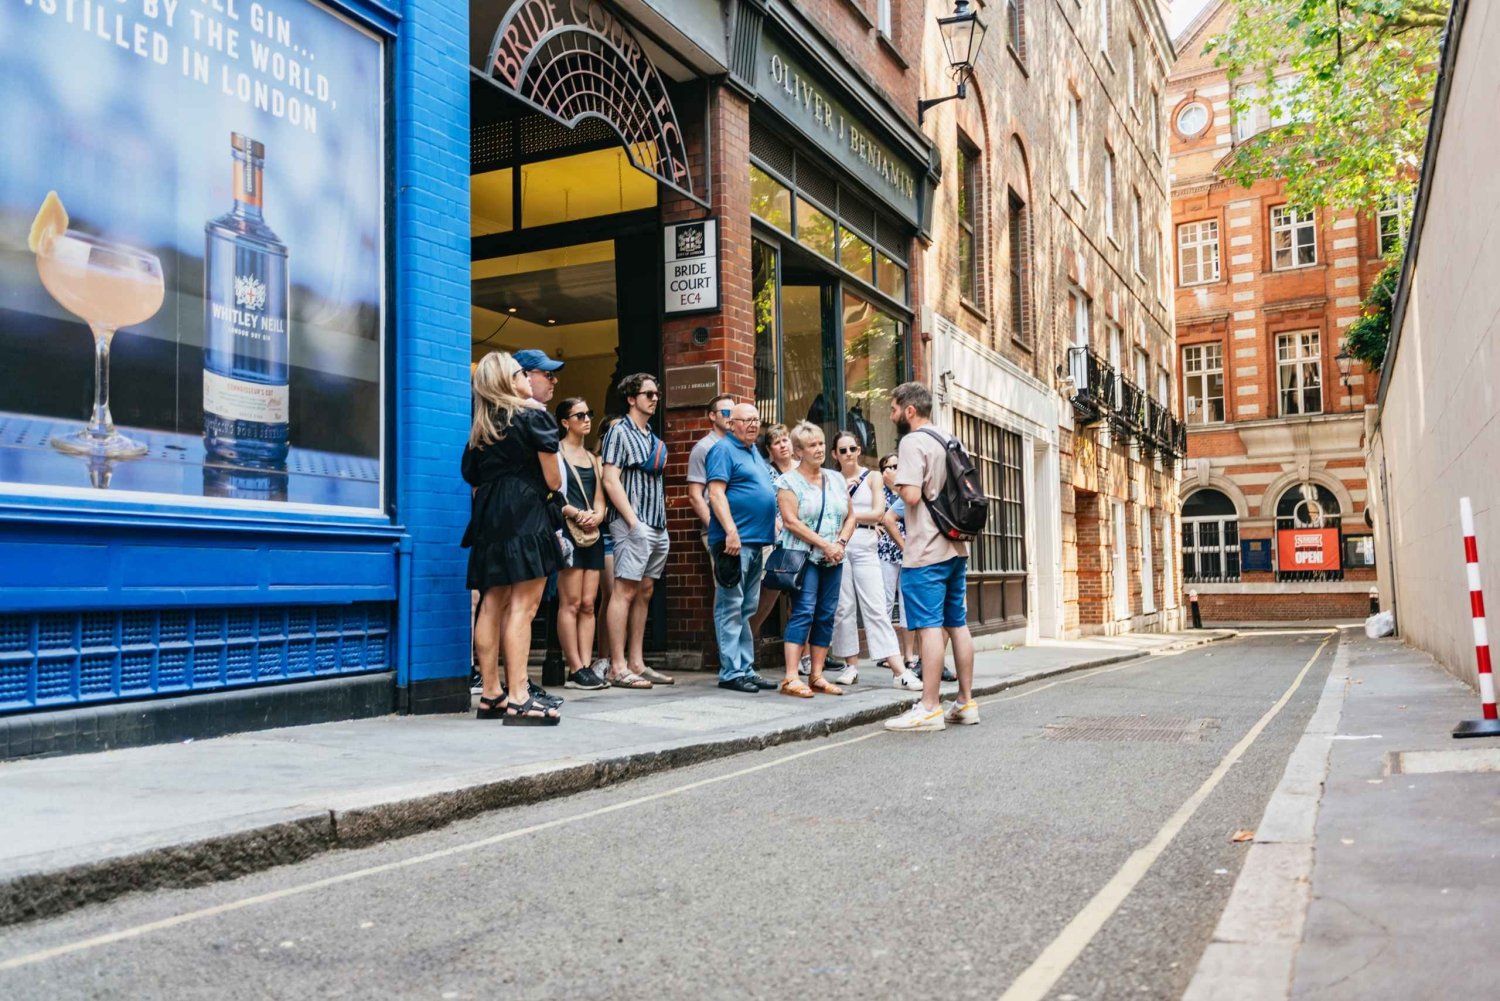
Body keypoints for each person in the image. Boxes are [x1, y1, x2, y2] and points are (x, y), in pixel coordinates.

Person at [462, 351, 563, 725]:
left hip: (489, 516)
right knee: (525, 604)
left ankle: (491, 696)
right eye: (520, 372)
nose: (526, 377)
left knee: (492, 601)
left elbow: (472, 477)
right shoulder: (533, 417)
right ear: (509, 381)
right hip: (525, 512)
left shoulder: (481, 429)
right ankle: (520, 698)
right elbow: (553, 480)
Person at [884, 382, 977, 732]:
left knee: (929, 627)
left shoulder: (912, 441)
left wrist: (893, 478)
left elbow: (909, 496)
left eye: (894, 409)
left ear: (909, 410)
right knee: (957, 623)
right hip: (955, 547)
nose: (892, 415)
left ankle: (929, 707)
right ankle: (965, 702)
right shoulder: (950, 438)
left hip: (925, 549)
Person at [829, 432, 923, 692]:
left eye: (852, 448)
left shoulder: (872, 476)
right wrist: (856, 518)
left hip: (866, 545)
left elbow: (878, 513)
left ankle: (899, 670)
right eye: (843, 450)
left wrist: (849, 517)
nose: (848, 454)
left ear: (859, 450)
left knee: (876, 607)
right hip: (840, 546)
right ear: (835, 454)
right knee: (844, 607)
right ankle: (851, 665)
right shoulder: (832, 479)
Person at [601, 372, 674, 688]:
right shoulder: (619, 432)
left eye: (656, 394)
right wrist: (633, 523)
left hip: (657, 524)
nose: (654, 398)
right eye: (648, 394)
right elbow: (610, 479)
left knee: (645, 591)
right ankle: (617, 666)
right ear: (631, 398)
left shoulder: (652, 439)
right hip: (633, 523)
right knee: (625, 590)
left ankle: (636, 661)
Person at [774, 421, 854, 698]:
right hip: (804, 556)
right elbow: (791, 522)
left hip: (834, 557)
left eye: (821, 443)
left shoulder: (836, 478)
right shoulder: (787, 483)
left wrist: (840, 543)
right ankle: (790, 677)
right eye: (812, 445)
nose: (819, 449)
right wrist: (825, 545)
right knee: (804, 610)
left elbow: (851, 516)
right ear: (798, 451)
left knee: (826, 614)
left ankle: (817, 675)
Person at [706, 403, 780, 693]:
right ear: (730, 423)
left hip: (756, 541)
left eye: (756, 420)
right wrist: (730, 532)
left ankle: (746, 668)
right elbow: (715, 493)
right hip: (734, 543)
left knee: (747, 607)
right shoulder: (723, 450)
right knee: (730, 606)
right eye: (745, 420)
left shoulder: (753, 453)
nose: (752, 425)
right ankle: (731, 672)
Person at [555, 397, 608, 690]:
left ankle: (586, 666)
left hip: (592, 532)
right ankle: (574, 667)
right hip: (568, 530)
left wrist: (598, 515)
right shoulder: (556, 453)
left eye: (589, 413)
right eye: (579, 415)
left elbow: (600, 495)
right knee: (571, 602)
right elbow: (552, 493)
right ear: (565, 422)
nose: (587, 419)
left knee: (589, 603)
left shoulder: (593, 458)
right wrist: (575, 513)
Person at [749, 423, 797, 638]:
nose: (782, 445)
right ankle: (750, 636)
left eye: (785, 440)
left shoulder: (804, 468)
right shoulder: (766, 471)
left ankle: (807, 654)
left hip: (807, 537)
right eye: (777, 443)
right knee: (772, 588)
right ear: (770, 449)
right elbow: (765, 503)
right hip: (776, 536)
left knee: (805, 595)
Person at [876, 452, 922, 675]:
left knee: (907, 604)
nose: (893, 469)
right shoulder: (880, 489)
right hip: (886, 550)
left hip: (909, 550)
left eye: (897, 465)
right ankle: (888, 654)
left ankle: (909, 655)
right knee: (884, 601)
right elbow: (879, 515)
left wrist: (896, 486)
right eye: (889, 466)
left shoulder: (905, 488)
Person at [686, 394, 736, 550]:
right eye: (726, 412)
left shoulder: (738, 445)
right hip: (720, 531)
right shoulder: (703, 448)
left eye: (734, 413)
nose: (731, 417)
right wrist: (715, 528)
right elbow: (695, 496)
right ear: (712, 416)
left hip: (745, 528)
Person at [593, 416, 622, 671]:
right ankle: (604, 656)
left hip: (626, 533)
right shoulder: (599, 463)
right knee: (611, 594)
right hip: (605, 533)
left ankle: (620, 656)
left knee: (627, 596)